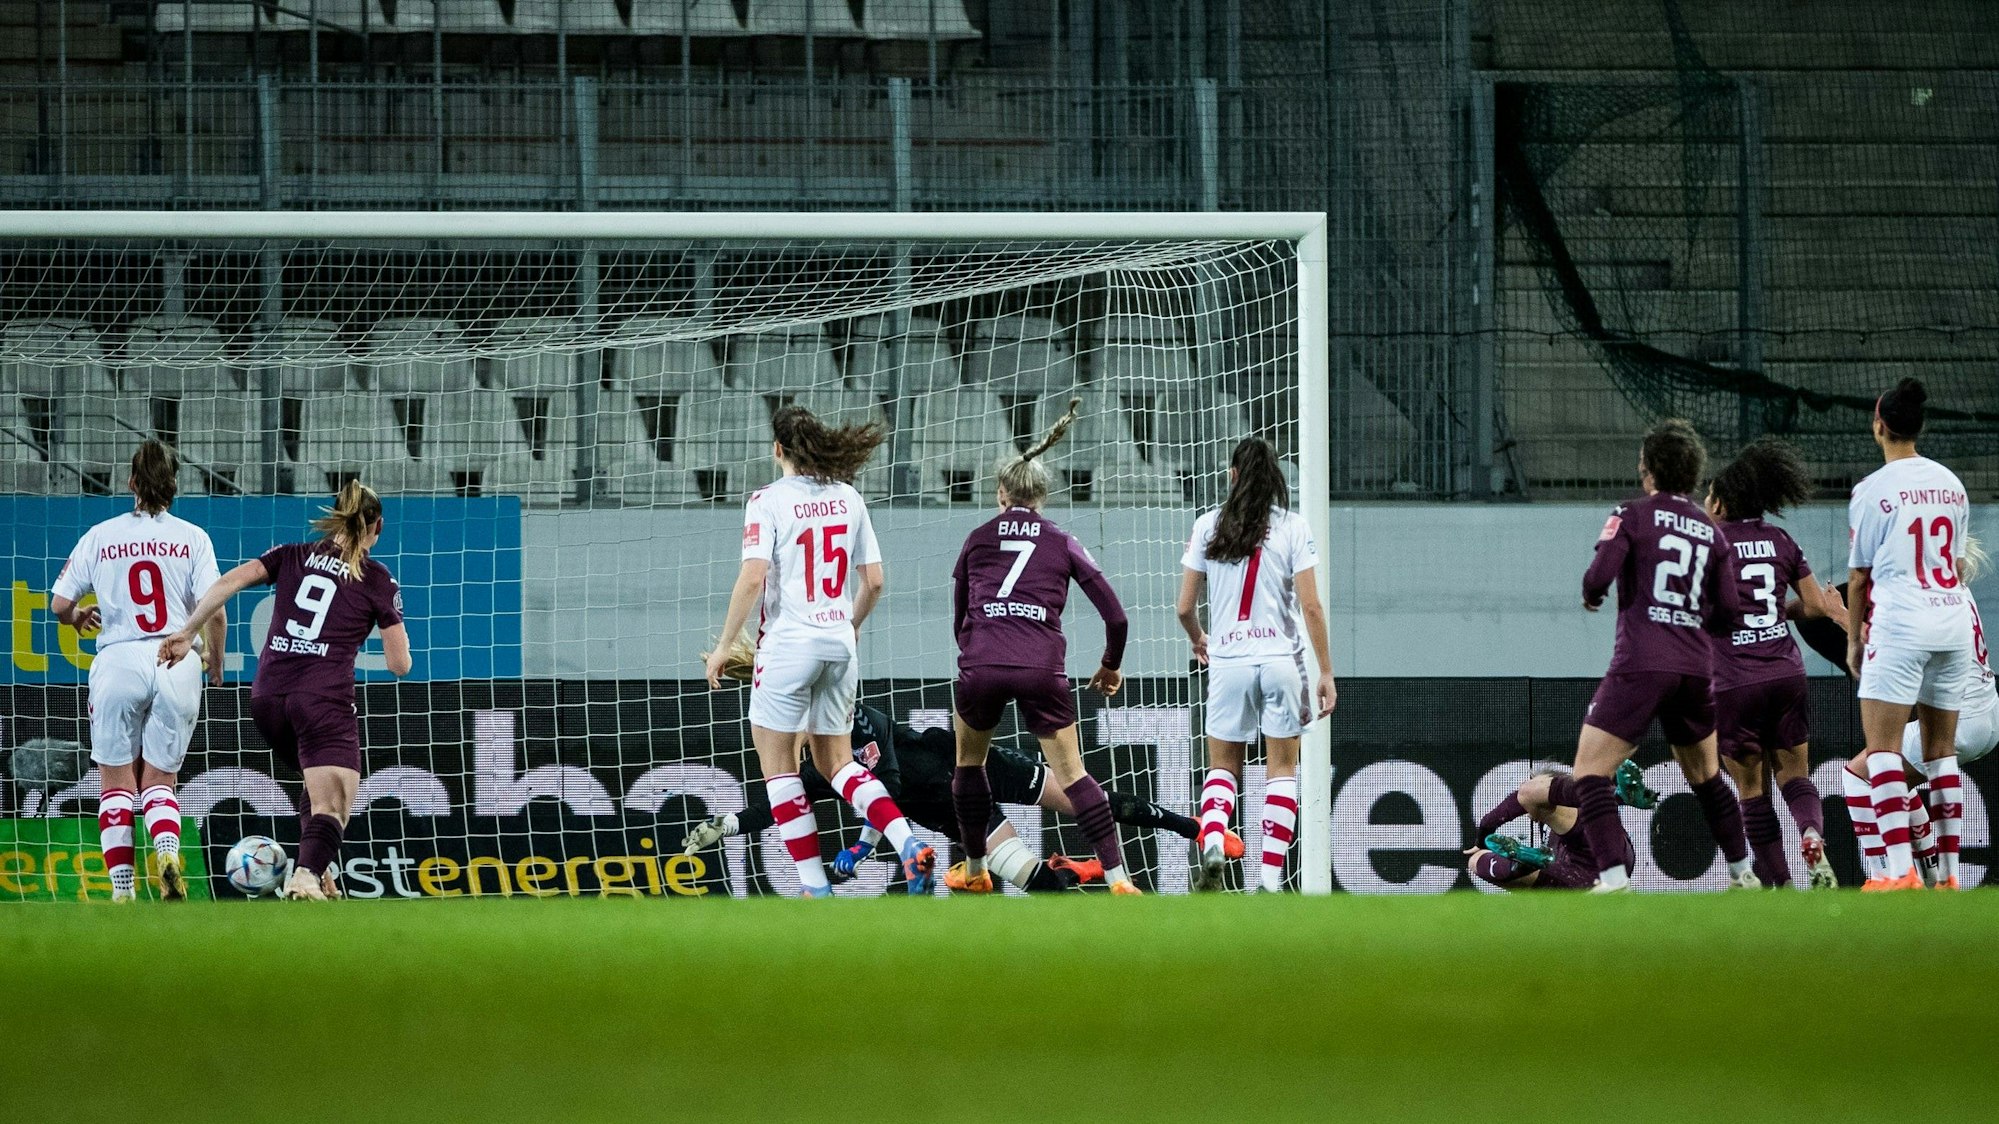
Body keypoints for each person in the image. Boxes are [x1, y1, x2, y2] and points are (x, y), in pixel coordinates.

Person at [682, 656, 1222, 892]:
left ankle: (1195, 829)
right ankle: (1091, 890)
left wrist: (865, 846)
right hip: (962, 813)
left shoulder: (855, 722)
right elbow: (781, 806)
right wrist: (725, 825)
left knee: (1087, 801)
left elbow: (887, 786)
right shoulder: (823, 766)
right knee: (1033, 878)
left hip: (975, 764)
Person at [701, 405, 932, 898]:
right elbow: (874, 582)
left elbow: (754, 575)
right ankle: (908, 843)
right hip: (839, 643)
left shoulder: (766, 500)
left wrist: (724, 646)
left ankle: (815, 888)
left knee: (780, 771)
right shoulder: (848, 497)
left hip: (788, 646)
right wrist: (846, 627)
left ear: (778, 449)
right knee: (840, 765)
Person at [160, 481, 412, 900]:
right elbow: (398, 665)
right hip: (322, 699)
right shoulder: (377, 578)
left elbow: (226, 584)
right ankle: (304, 877)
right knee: (336, 803)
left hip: (267, 699)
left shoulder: (291, 554)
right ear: (377, 527)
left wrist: (187, 632)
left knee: (316, 787)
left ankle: (321, 866)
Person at [948, 399, 1140, 894]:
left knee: (969, 765)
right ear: (1042, 497)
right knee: (1074, 773)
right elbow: (1116, 615)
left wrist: (977, 654)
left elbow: (959, 614)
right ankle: (1118, 878)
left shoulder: (976, 538)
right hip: (1041, 667)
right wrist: (1110, 665)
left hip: (983, 663)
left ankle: (974, 872)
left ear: (1000, 493)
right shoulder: (1062, 540)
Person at [1572, 419, 1754, 893]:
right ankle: (1742, 873)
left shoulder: (1630, 514)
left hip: (1642, 662)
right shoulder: (1712, 533)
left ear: (1649, 470)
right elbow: (1732, 611)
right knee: (1708, 777)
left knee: (1589, 772)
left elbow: (1599, 576)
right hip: (1695, 668)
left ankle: (1613, 878)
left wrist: (1592, 593)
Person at [49, 441, 223, 902]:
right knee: (160, 784)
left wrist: (75, 618)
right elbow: (216, 611)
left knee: (117, 784)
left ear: (131, 483)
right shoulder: (193, 537)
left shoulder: (100, 535)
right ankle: (166, 850)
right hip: (177, 657)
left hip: (119, 658)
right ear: (174, 484)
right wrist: (216, 663)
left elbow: (59, 604)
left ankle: (122, 892)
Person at [1177, 437, 1337, 893]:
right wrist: (1325, 671)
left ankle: (1212, 838)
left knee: (1223, 767)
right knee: (1282, 770)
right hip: (1282, 661)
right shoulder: (1293, 527)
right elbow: (1311, 608)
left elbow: (1185, 606)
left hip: (1228, 662)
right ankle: (1268, 879)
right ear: (1274, 482)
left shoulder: (1209, 525)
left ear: (1232, 476)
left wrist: (1199, 639)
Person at [1839, 378, 1975, 891]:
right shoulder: (1952, 483)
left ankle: (1900, 873)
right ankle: (1951, 878)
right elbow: (1958, 565)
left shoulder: (1871, 490)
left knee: (1883, 751)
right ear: (1920, 428)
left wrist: (1855, 641)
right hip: (1953, 620)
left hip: (1901, 623)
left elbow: (1859, 576)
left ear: (1879, 425)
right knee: (1941, 753)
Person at [1801, 547, 1994, 887]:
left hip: (1964, 719)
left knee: (1858, 776)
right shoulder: (1954, 592)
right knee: (1898, 784)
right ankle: (1933, 878)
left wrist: (1840, 614)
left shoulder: (1924, 600)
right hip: (1986, 713)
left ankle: (1883, 877)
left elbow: (1887, 646)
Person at [1703, 438, 1838, 889]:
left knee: (1751, 789)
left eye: (1708, 496)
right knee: (1795, 776)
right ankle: (1812, 834)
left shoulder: (1709, 546)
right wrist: (1778, 613)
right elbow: (1817, 607)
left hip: (1734, 682)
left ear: (1720, 502)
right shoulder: (1780, 539)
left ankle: (1779, 885)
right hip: (1785, 675)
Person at [1466, 761, 1654, 891]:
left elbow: (1524, 796)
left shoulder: (1573, 808)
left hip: (1600, 863)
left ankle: (1619, 795)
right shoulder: (1558, 827)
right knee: (1475, 861)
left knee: (1530, 793)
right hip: (1574, 881)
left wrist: (1483, 835)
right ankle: (1521, 866)